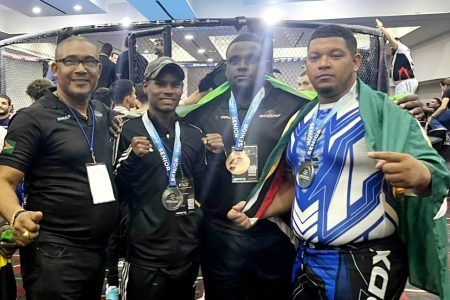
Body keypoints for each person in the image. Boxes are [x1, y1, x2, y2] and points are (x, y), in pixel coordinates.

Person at [228, 25, 450, 300]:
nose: (323, 64)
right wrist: (259, 210)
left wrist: (422, 175)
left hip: (366, 260)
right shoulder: (300, 119)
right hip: (306, 256)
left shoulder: (386, 113)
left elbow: (436, 171)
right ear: (306, 63)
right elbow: (301, 185)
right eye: (315, 57)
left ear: (356, 61)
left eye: (335, 55)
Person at [181, 33, 314, 300]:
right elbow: (164, 121)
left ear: (266, 66)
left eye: (252, 60)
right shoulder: (201, 112)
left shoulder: (296, 107)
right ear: (226, 67)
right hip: (220, 232)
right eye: (235, 60)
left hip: (274, 228)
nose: (242, 66)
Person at [0, 36, 119, 300]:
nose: (80, 68)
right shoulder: (33, 118)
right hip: (54, 254)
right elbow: (3, 180)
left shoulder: (100, 112)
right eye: (70, 61)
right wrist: (17, 215)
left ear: (99, 70)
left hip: (97, 249)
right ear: (54, 69)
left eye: (89, 61)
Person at [115, 56, 224, 299]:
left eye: (175, 84)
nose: (168, 90)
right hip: (144, 254)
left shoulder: (193, 134)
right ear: (146, 86)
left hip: (186, 252)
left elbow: (205, 188)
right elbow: (115, 188)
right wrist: (130, 157)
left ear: (181, 89)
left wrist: (217, 157)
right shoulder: (126, 130)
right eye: (160, 83)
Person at [376, 19, 418, 95]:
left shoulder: (402, 49)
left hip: (406, 82)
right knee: (398, 104)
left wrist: (381, 27)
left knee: (403, 105)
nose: (391, 47)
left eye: (392, 45)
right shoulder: (397, 56)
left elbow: (390, 38)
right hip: (401, 84)